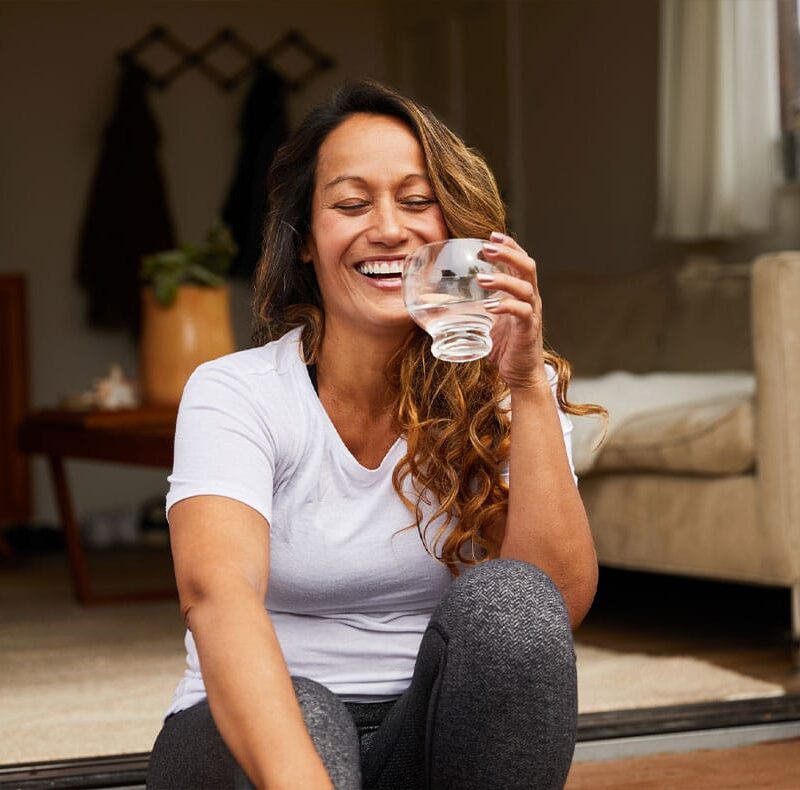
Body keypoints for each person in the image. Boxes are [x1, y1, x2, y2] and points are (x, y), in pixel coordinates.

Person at [146, 79, 602, 790]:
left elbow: (554, 602)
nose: (389, 228)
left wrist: (524, 388)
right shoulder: (236, 391)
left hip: (421, 740)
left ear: (453, 229)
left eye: (418, 202)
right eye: (351, 204)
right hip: (252, 743)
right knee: (310, 715)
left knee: (512, 602)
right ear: (305, 241)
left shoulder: (509, 383)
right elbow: (217, 596)